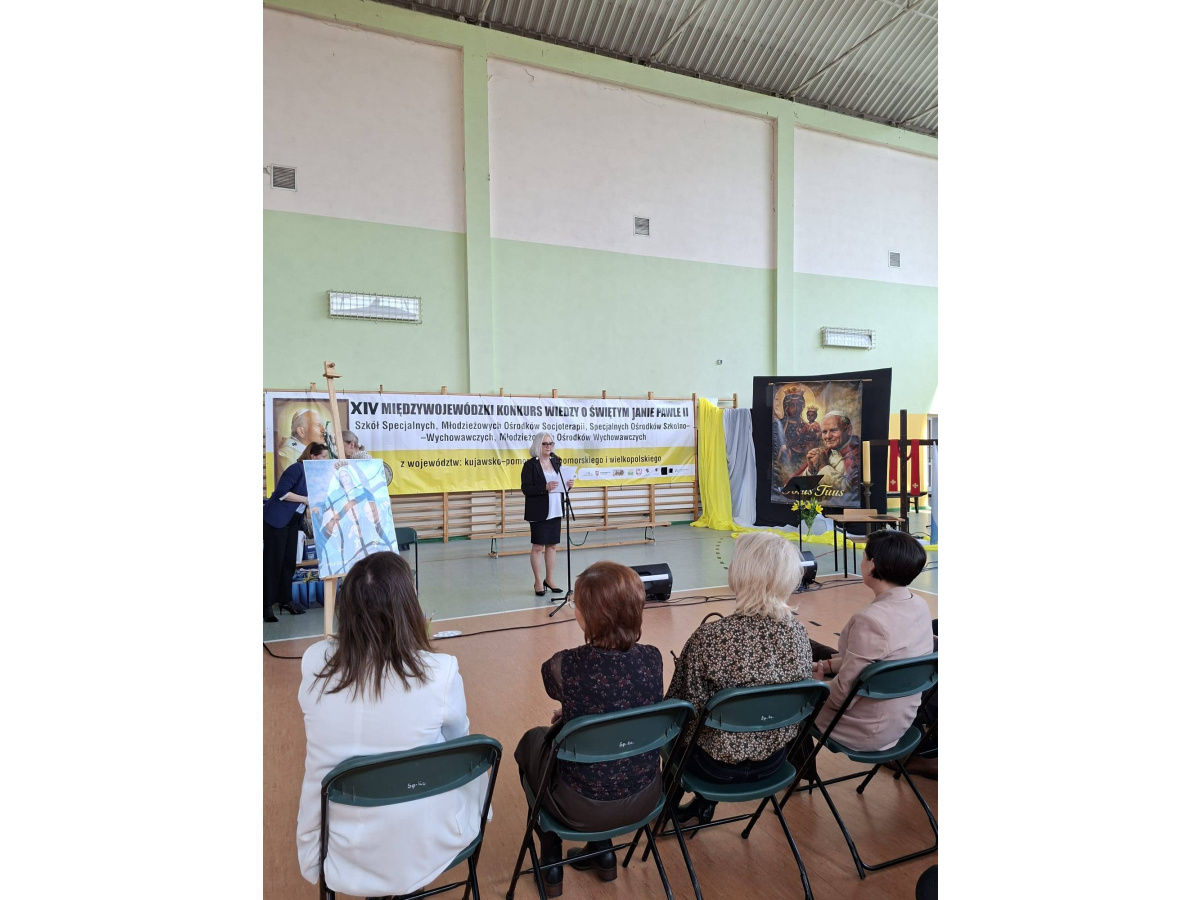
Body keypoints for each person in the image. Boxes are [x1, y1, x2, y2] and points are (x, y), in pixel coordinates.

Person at [296, 552, 489, 899]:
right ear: (408, 609)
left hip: (340, 846)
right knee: (466, 762)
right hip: (421, 844)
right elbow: (459, 744)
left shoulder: (314, 662)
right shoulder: (440, 672)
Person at [513, 561, 664, 896]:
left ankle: (551, 860)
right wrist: (576, 715)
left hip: (579, 805)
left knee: (530, 743)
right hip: (646, 794)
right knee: (613, 750)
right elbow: (625, 703)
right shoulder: (653, 659)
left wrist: (575, 715)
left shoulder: (565, 665)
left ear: (589, 616)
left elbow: (557, 682)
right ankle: (602, 850)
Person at [665, 531, 813, 825]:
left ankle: (665, 809)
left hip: (713, 769)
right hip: (774, 762)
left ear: (742, 573)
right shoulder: (798, 634)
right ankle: (703, 806)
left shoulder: (710, 637)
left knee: (671, 735)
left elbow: (682, 712)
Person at [810, 529, 934, 752]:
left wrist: (815, 688)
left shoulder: (870, 620)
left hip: (865, 729)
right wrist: (825, 666)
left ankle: (789, 771)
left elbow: (842, 695)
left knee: (786, 705)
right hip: (902, 720)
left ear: (872, 565)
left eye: (864, 556)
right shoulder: (919, 605)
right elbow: (878, 661)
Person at [264, 441, 328, 622]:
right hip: (276, 521)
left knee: (289, 562)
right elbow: (281, 493)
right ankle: (266, 605)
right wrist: (306, 499)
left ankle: (285, 600)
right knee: (273, 563)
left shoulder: (314, 474)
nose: (325, 460)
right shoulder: (296, 469)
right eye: (323, 457)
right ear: (312, 456)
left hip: (292, 522)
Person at [521, 432, 574, 597]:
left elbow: (560, 484)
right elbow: (526, 488)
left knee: (552, 545)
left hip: (556, 508)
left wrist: (568, 485)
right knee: (538, 547)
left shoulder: (556, 461)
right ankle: (538, 581)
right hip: (539, 511)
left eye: (551, 443)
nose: (549, 446)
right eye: (545, 443)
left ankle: (549, 579)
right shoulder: (530, 465)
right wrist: (544, 487)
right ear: (538, 445)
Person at [316, 463, 392, 575]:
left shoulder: (361, 491)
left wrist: (385, 502)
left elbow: (374, 502)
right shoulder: (336, 494)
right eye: (342, 477)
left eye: (346, 475)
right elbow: (326, 506)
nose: (345, 478)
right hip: (345, 527)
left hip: (364, 523)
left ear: (351, 475)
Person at [801, 412, 863, 496]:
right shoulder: (826, 452)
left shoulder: (857, 455)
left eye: (833, 430)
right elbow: (803, 491)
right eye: (824, 432)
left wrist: (823, 467)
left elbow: (850, 494)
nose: (828, 436)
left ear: (848, 430)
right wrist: (811, 470)